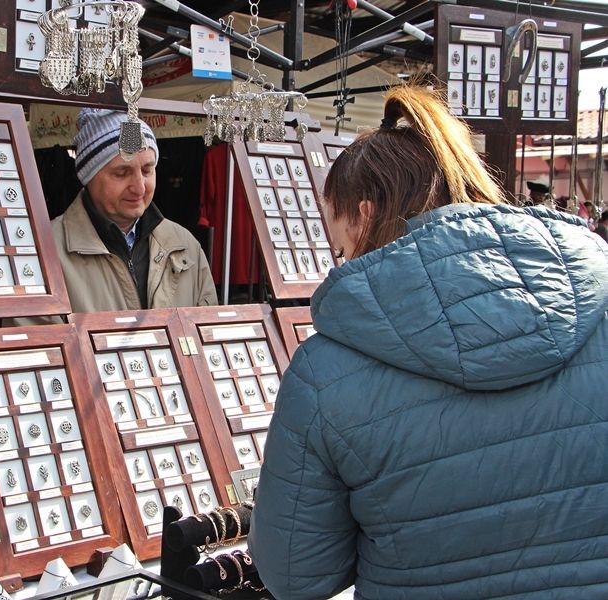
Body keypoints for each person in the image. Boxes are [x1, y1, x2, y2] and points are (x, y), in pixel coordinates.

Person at [249, 85, 608, 600]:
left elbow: (296, 574)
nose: (340, 263)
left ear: (365, 216)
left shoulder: (324, 372)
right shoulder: (599, 311)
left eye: (340, 248)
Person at [52, 108, 217, 312]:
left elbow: (208, 327)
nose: (139, 188)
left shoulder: (185, 245)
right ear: (88, 177)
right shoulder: (48, 252)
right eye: (122, 173)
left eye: (147, 170)